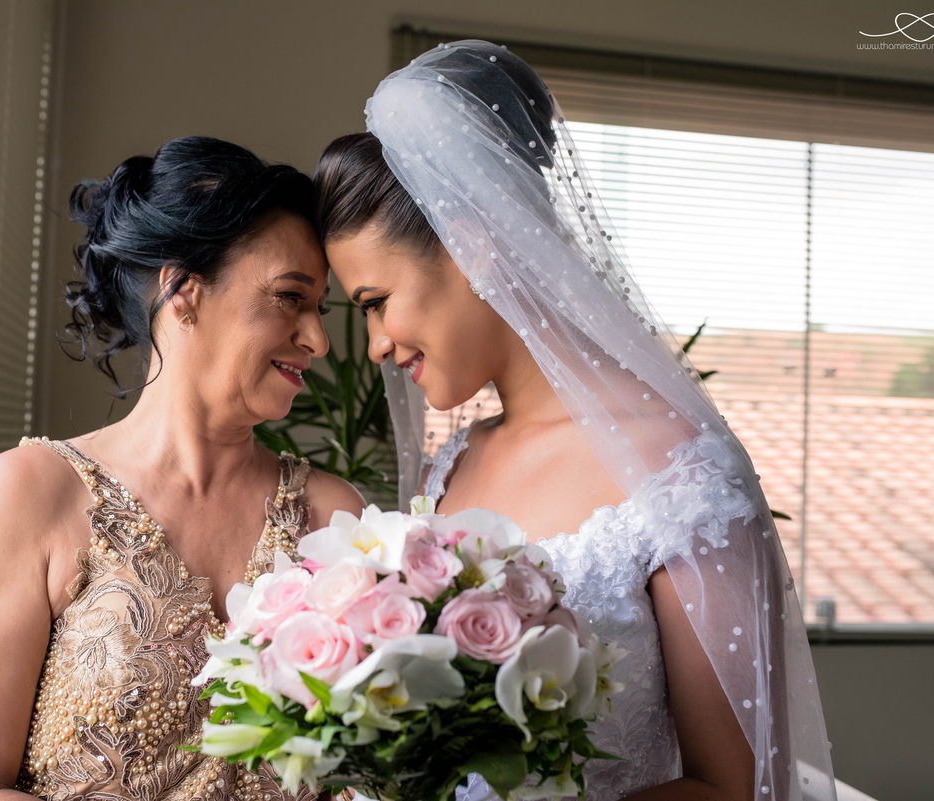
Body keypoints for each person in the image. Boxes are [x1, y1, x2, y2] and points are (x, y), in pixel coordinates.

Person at [315, 42, 835, 801]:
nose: (375, 347)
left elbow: (736, 787)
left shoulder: (681, 472)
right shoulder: (452, 464)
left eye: (376, 303)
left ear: (472, 246)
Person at [0, 137, 364, 801]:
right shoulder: (28, 494)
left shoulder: (334, 517)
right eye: (291, 297)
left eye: (320, 307)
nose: (317, 339)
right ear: (182, 290)